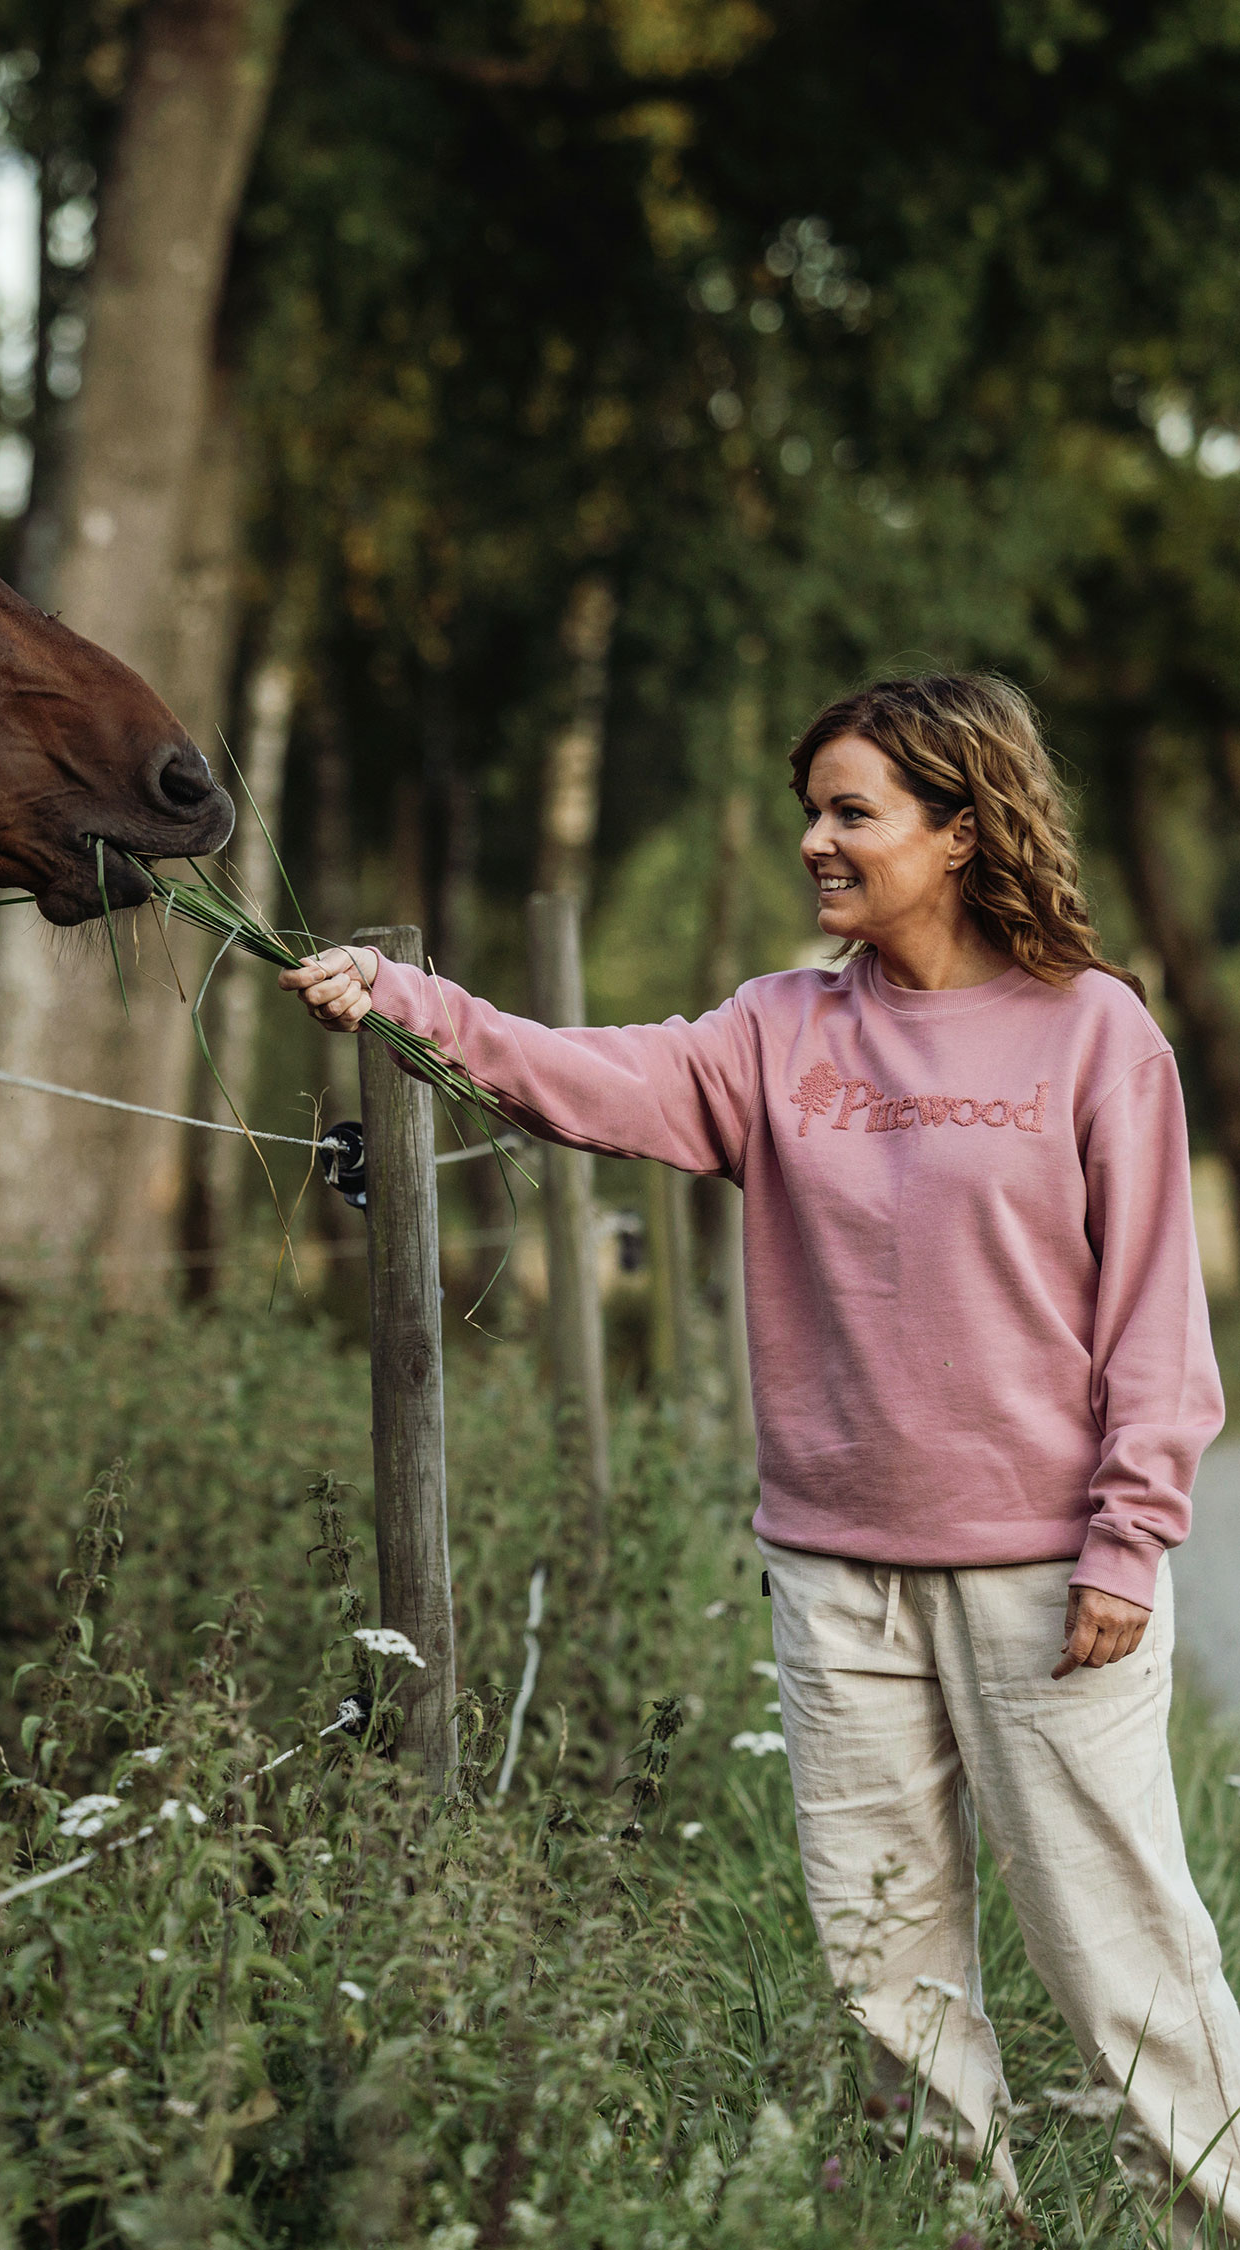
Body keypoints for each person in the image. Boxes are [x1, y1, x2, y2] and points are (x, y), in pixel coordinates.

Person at [280, 673, 1239, 2237]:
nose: (815, 839)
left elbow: (1153, 1321)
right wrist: (415, 1003)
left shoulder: (1093, 1033)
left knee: (1116, 1947)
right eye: (812, 808)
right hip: (833, 1572)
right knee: (884, 1965)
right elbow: (590, 1078)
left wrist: (1128, 1539)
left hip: (1043, 1579)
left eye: (850, 810)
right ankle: (950, 2224)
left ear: (959, 827)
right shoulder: (776, 1030)